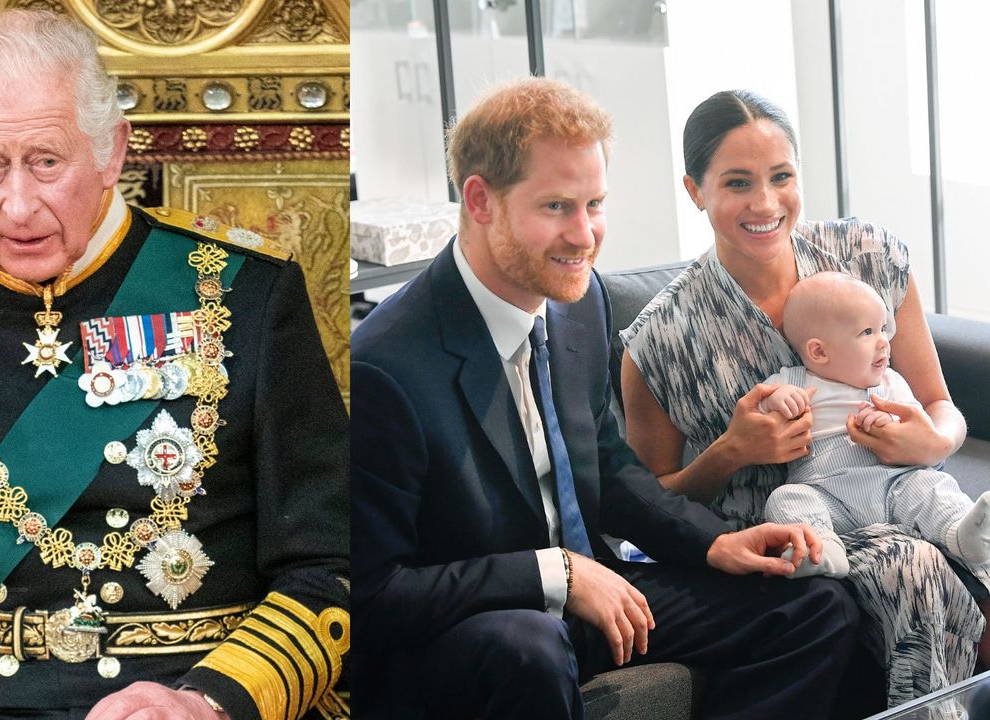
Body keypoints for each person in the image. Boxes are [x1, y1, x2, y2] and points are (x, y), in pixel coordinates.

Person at [0, 10, 348, 720]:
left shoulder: (246, 297)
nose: (19, 204)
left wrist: (212, 701)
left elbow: (328, 565)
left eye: (47, 162)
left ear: (111, 152)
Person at [351, 77, 860, 720]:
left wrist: (713, 542)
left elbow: (609, 462)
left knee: (812, 607)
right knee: (528, 647)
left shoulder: (579, 303)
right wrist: (553, 573)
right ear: (480, 200)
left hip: (593, 590)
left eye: (595, 203)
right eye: (558, 207)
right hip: (481, 629)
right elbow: (370, 596)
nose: (586, 234)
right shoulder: (385, 368)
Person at [620, 89, 988, 709]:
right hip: (799, 540)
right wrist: (730, 453)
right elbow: (648, 507)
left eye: (781, 177)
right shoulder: (661, 338)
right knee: (914, 565)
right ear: (694, 190)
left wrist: (935, 439)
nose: (765, 204)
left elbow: (941, 405)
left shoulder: (867, 257)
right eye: (737, 183)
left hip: (907, 494)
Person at [759, 271, 990, 577]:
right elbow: (759, 408)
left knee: (930, 487)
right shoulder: (793, 381)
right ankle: (823, 549)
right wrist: (778, 399)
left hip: (895, 486)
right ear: (819, 351)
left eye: (883, 328)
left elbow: (914, 424)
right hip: (827, 494)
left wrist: (889, 423)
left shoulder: (890, 382)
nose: (884, 341)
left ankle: (961, 535)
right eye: (867, 332)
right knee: (786, 499)